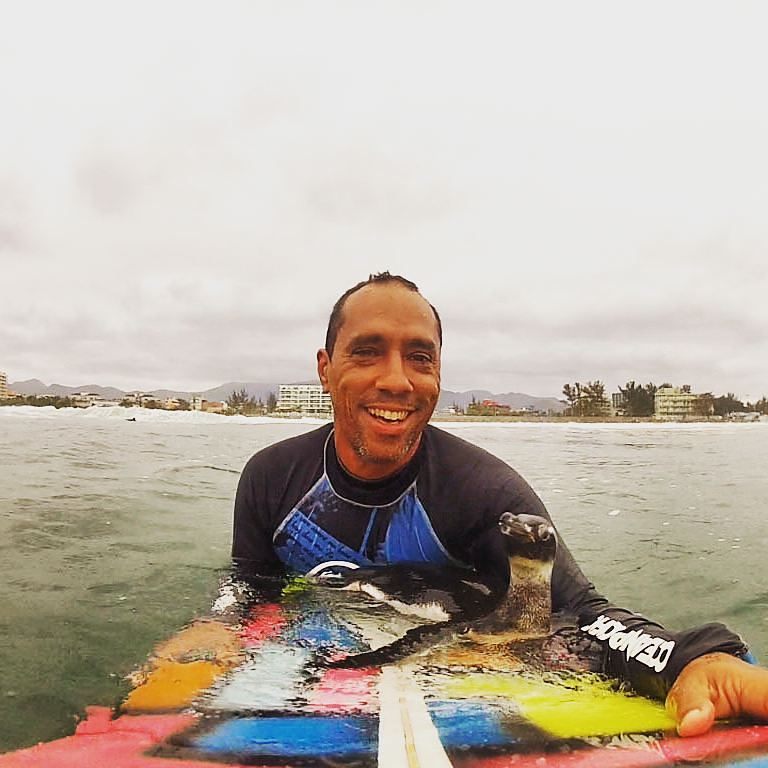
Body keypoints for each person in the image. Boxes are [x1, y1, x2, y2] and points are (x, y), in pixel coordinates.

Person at [230, 271, 768, 737]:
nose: (396, 380)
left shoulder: (485, 494)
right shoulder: (271, 478)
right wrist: (218, 631)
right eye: (367, 351)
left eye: (419, 357)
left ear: (437, 373)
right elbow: (249, 587)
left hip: (447, 647)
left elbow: (577, 612)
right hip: (322, 630)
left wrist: (687, 660)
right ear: (325, 367)